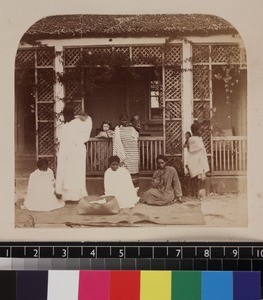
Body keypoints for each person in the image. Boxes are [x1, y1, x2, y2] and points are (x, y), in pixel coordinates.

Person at [55, 105, 92, 201]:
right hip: (66, 152)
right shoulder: (67, 125)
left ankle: (76, 196)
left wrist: (83, 116)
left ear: (72, 114)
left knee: (75, 173)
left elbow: (88, 121)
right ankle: (67, 195)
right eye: (65, 115)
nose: (66, 117)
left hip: (76, 152)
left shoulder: (78, 122)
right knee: (66, 173)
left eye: (68, 115)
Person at [113, 113, 139, 188]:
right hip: (123, 152)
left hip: (133, 153)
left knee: (133, 170)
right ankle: (124, 190)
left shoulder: (132, 128)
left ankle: (134, 191)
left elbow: (136, 137)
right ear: (120, 120)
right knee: (123, 171)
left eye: (125, 119)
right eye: (122, 119)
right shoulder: (117, 129)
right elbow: (115, 140)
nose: (124, 121)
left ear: (128, 120)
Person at [187, 123, 210, 199]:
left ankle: (199, 193)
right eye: (200, 130)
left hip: (199, 160)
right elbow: (197, 148)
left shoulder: (198, 138)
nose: (201, 132)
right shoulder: (192, 139)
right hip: (194, 159)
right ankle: (195, 193)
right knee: (196, 178)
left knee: (200, 178)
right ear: (195, 131)